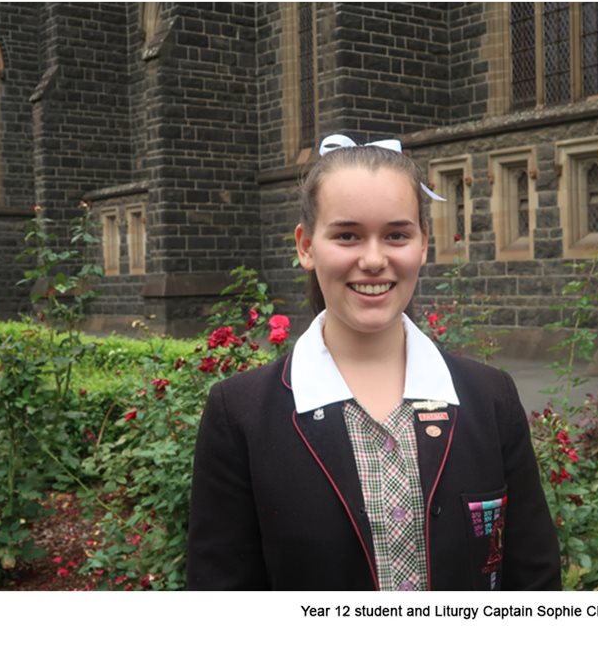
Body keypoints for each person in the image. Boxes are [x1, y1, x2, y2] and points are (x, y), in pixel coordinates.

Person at [187, 134, 560, 590]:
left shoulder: (489, 398)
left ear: (424, 244)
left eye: (397, 235)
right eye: (347, 235)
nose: (373, 259)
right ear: (306, 246)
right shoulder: (241, 414)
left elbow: (533, 575)